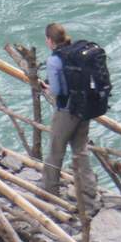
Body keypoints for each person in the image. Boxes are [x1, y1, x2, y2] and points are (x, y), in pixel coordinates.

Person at [42, 23, 95, 200]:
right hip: (84, 107)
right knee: (80, 149)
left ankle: (50, 191)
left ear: (49, 40)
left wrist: (47, 87)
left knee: (56, 150)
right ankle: (88, 190)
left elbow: (57, 91)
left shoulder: (54, 60)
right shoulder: (78, 52)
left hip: (66, 110)